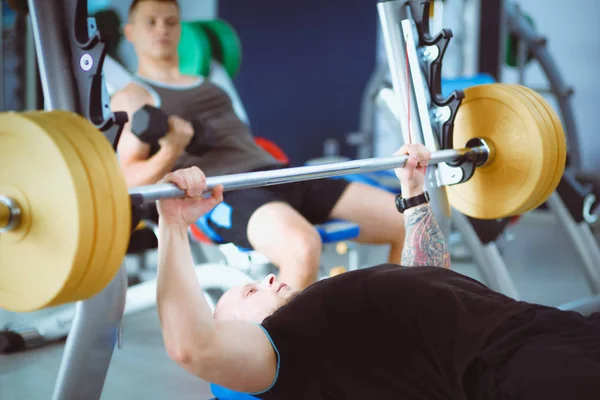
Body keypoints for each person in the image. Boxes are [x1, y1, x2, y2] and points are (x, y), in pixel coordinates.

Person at [155, 143, 600, 400]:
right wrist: (172, 225)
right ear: (242, 346)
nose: (268, 277)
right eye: (251, 293)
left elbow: (429, 280)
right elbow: (192, 348)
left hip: (547, 328)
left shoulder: (346, 337)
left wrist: (412, 197)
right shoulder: (287, 354)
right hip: (514, 370)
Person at [111, 0, 405, 290]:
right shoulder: (135, 96)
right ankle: (276, 339)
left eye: (171, 21)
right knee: (302, 248)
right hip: (226, 192)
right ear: (131, 31)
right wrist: (172, 148)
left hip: (277, 174)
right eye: (151, 21)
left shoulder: (210, 83)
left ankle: (402, 320)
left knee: (405, 220)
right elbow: (130, 181)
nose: (162, 29)